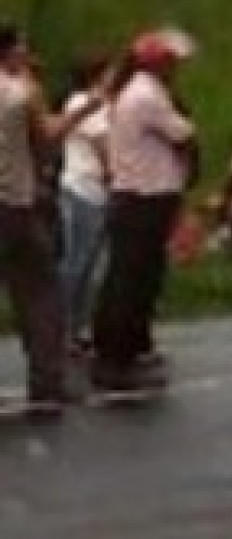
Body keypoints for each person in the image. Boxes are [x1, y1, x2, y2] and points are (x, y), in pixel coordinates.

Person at [2, 26, 108, 411]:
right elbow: (48, 137)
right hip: (15, 203)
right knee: (39, 292)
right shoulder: (20, 93)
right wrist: (86, 108)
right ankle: (47, 379)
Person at [92, 30, 195, 395]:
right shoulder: (148, 96)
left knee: (124, 274)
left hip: (133, 193)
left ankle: (118, 346)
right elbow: (183, 136)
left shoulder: (135, 92)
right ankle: (119, 356)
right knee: (136, 279)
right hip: (145, 196)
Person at [56, 54, 115, 355]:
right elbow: (103, 146)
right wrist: (115, 175)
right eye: (109, 71)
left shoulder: (103, 106)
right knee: (78, 262)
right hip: (83, 189)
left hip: (96, 191)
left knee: (95, 263)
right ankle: (63, 326)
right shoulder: (83, 103)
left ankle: (81, 326)